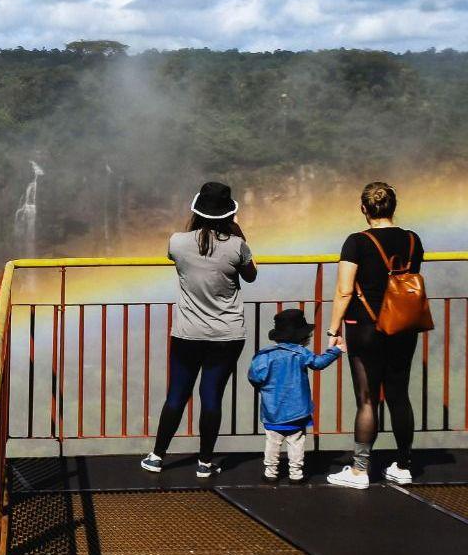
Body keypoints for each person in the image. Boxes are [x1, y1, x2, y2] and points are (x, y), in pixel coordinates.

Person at [141, 182, 258, 478]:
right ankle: (205, 462)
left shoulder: (178, 242)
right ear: (229, 214)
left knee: (177, 395)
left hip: (187, 333)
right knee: (212, 396)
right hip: (227, 336)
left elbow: (177, 259)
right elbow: (251, 275)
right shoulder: (237, 247)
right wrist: (238, 234)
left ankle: (157, 456)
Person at [326, 182, 425, 489]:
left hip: (364, 326)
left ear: (363, 209)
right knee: (398, 394)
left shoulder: (356, 242)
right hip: (403, 325)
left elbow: (344, 290)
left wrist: (333, 330)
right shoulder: (412, 240)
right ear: (393, 206)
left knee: (367, 400)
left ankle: (359, 470)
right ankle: (404, 465)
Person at [248, 309, 340, 482]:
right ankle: (296, 474)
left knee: (273, 442)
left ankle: (270, 472)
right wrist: (335, 351)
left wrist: (265, 390)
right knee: (296, 441)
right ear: (302, 337)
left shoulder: (265, 356)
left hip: (272, 411)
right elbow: (319, 363)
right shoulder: (301, 353)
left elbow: (255, 376)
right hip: (298, 411)